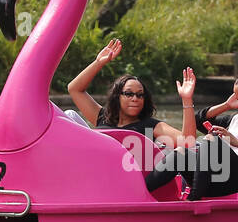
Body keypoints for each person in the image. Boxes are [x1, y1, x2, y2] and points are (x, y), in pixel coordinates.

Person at [145, 70, 238, 200]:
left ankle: (193, 198)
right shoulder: (237, 118)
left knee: (211, 140)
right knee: (181, 153)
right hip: (219, 179)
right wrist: (226, 105)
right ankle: (142, 192)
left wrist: (237, 143)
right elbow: (199, 121)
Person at [67, 38, 196, 147]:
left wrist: (187, 99)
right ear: (117, 97)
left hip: (128, 174)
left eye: (140, 95)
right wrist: (98, 63)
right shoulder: (103, 118)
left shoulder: (150, 126)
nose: (135, 98)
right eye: (129, 94)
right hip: (96, 167)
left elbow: (188, 143)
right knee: (69, 115)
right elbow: (74, 89)